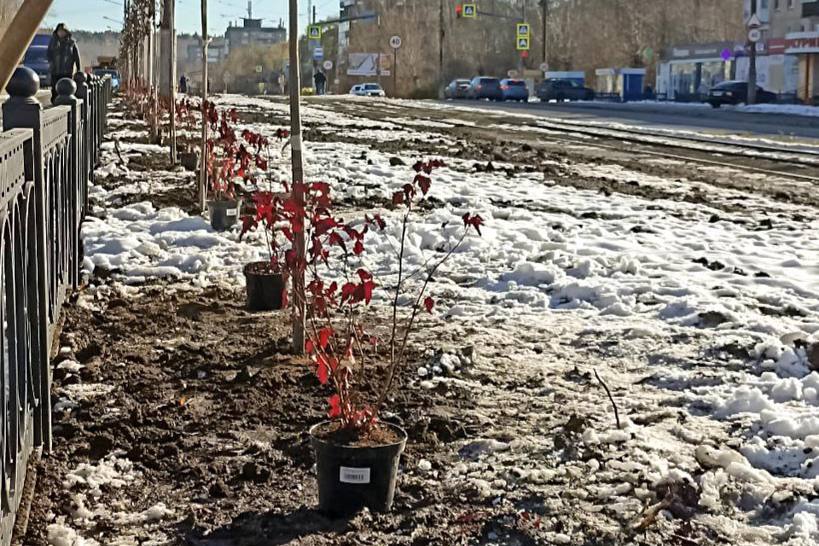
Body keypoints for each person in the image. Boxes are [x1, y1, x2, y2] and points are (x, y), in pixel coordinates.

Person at [47, 23, 81, 103]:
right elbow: (49, 54)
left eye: (63, 31)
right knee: (55, 89)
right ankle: (55, 103)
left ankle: (66, 104)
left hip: (67, 71)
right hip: (55, 70)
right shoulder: (53, 42)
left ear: (66, 32)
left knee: (67, 89)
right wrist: (51, 62)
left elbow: (76, 57)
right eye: (59, 31)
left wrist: (78, 69)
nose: (61, 33)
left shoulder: (71, 43)